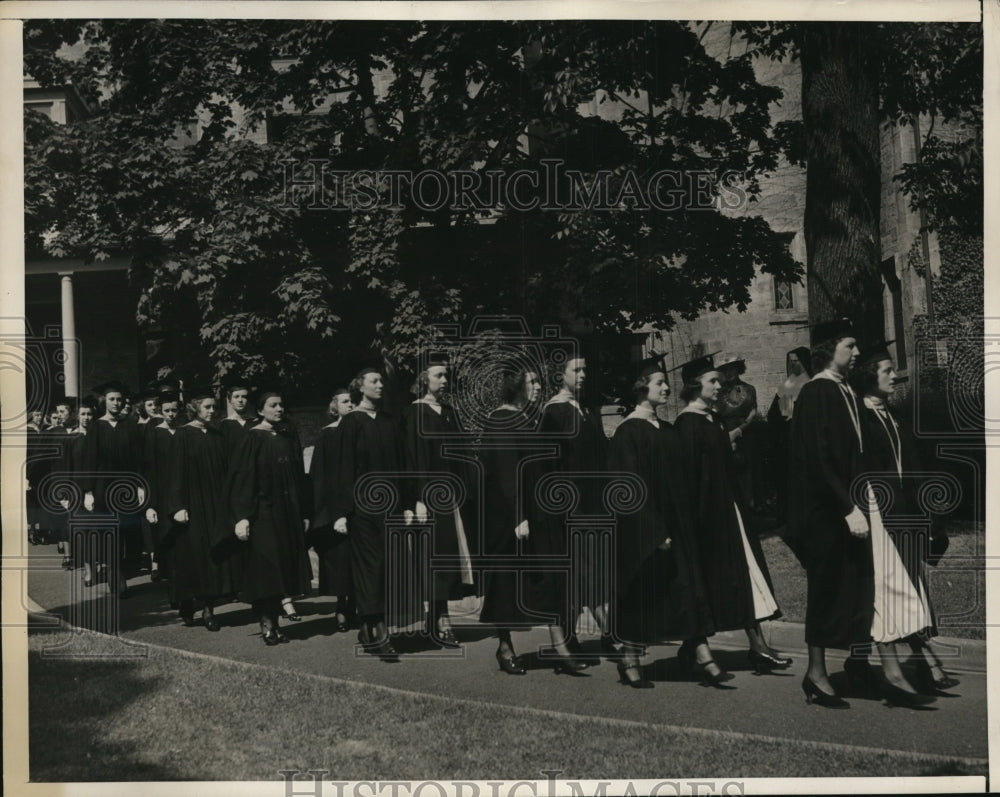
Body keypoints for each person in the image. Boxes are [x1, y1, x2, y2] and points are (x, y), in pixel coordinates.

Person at [605, 355, 719, 688]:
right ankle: (629, 658)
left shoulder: (667, 431)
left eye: (666, 382)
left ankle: (702, 653)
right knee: (641, 596)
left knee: (687, 589)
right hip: (647, 532)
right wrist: (653, 530)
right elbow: (627, 489)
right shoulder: (628, 432)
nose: (667, 387)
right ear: (642, 388)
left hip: (677, 529)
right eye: (659, 383)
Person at [673, 355, 790, 674]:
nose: (719, 385)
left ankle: (757, 647)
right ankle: (697, 648)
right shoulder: (687, 425)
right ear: (695, 386)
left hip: (730, 513)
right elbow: (689, 479)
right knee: (718, 583)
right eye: (712, 381)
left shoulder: (710, 420)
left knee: (745, 576)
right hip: (709, 519)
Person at [849, 345, 945, 704]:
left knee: (909, 587)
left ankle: (908, 666)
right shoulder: (860, 418)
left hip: (904, 514)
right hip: (877, 515)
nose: (893, 375)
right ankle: (893, 669)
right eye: (886, 370)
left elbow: (915, 466)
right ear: (869, 374)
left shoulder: (895, 416)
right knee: (887, 589)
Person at [787, 319, 873, 709]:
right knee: (824, 587)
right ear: (829, 349)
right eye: (849, 346)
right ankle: (816, 673)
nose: (856, 354)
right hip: (824, 511)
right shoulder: (817, 392)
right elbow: (820, 460)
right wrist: (847, 506)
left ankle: (859, 663)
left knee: (852, 584)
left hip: (848, 506)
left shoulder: (846, 391)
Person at [533, 350, 613, 658]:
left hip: (593, 505)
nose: (583, 375)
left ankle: (570, 639)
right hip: (570, 509)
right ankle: (608, 634)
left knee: (586, 573)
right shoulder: (553, 413)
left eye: (585, 370)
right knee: (582, 571)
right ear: (560, 375)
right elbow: (546, 467)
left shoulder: (586, 410)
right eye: (576, 370)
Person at [401, 355, 479, 648]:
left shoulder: (449, 412)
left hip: (451, 497)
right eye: (438, 376)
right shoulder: (414, 414)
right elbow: (412, 458)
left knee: (449, 562)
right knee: (434, 561)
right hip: (429, 498)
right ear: (423, 379)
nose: (444, 381)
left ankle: (436, 621)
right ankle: (438, 622)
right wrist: (417, 497)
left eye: (446, 376)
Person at [330, 364, 407, 660]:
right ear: (360, 387)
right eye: (374, 381)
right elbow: (344, 470)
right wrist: (341, 512)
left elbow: (401, 468)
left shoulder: (389, 421)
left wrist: (408, 505)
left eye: (382, 381)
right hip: (362, 510)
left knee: (389, 567)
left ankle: (367, 626)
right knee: (372, 568)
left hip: (391, 508)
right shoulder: (351, 422)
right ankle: (381, 633)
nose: (380, 386)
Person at [225, 388, 312, 645]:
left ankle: (274, 620)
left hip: (288, 513)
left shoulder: (287, 436)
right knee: (268, 568)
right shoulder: (253, 438)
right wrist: (242, 516)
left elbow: (298, 477)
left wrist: (304, 512)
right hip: (263, 513)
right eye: (273, 405)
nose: (279, 409)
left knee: (283, 567)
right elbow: (243, 478)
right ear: (260, 410)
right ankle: (266, 621)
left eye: (281, 405)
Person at [478, 365, 545, 675]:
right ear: (517, 386)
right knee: (505, 583)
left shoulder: (525, 418)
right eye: (532, 381)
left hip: (528, 512)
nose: (539, 386)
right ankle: (505, 647)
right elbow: (507, 474)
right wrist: (519, 517)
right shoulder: (502, 419)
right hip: (506, 519)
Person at [167, 386, 240, 631]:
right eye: (207, 407)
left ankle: (208, 608)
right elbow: (174, 473)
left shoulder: (217, 435)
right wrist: (177, 506)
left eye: (213, 407)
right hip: (192, 506)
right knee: (192, 556)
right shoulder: (183, 435)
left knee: (212, 556)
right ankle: (187, 603)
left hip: (215, 504)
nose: (212, 411)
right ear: (194, 408)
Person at [79, 381, 144, 597]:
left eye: (119, 399)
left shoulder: (131, 425)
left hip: (126, 487)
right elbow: (89, 460)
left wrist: (139, 486)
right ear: (104, 402)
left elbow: (138, 460)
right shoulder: (96, 427)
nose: (116, 403)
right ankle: (116, 576)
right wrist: (87, 491)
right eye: (112, 399)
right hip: (102, 489)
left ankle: (123, 569)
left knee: (129, 532)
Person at [308, 388, 356, 633]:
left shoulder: (362, 431)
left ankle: (359, 607)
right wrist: (333, 513)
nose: (351, 405)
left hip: (361, 507)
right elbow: (320, 479)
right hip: (336, 510)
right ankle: (341, 607)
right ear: (334, 407)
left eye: (353, 401)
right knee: (340, 560)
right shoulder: (327, 435)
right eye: (345, 401)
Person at [143, 391, 183, 602]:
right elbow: (150, 471)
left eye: (174, 410)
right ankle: (173, 587)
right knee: (168, 543)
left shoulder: (185, 432)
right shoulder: (155, 434)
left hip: (184, 494)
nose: (171, 415)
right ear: (160, 412)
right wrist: (150, 504)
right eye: (166, 411)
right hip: (163, 494)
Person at [767, 347, 812, 522]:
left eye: (796, 361)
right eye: (791, 362)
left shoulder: (811, 383)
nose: (793, 365)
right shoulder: (788, 385)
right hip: (789, 437)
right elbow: (779, 415)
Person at [715, 353, 764, 511]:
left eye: (732, 369)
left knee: (748, 470)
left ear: (738, 369)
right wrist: (726, 435)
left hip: (746, 433)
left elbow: (752, 413)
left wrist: (739, 430)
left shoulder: (749, 389)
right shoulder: (719, 392)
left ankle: (750, 505)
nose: (729, 373)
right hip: (724, 434)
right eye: (726, 370)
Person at [134, 383, 164, 579]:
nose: (153, 407)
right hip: (146, 478)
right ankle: (154, 561)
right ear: (143, 407)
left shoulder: (165, 424)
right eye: (149, 404)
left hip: (165, 477)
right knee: (149, 521)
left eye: (155, 404)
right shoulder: (137, 428)